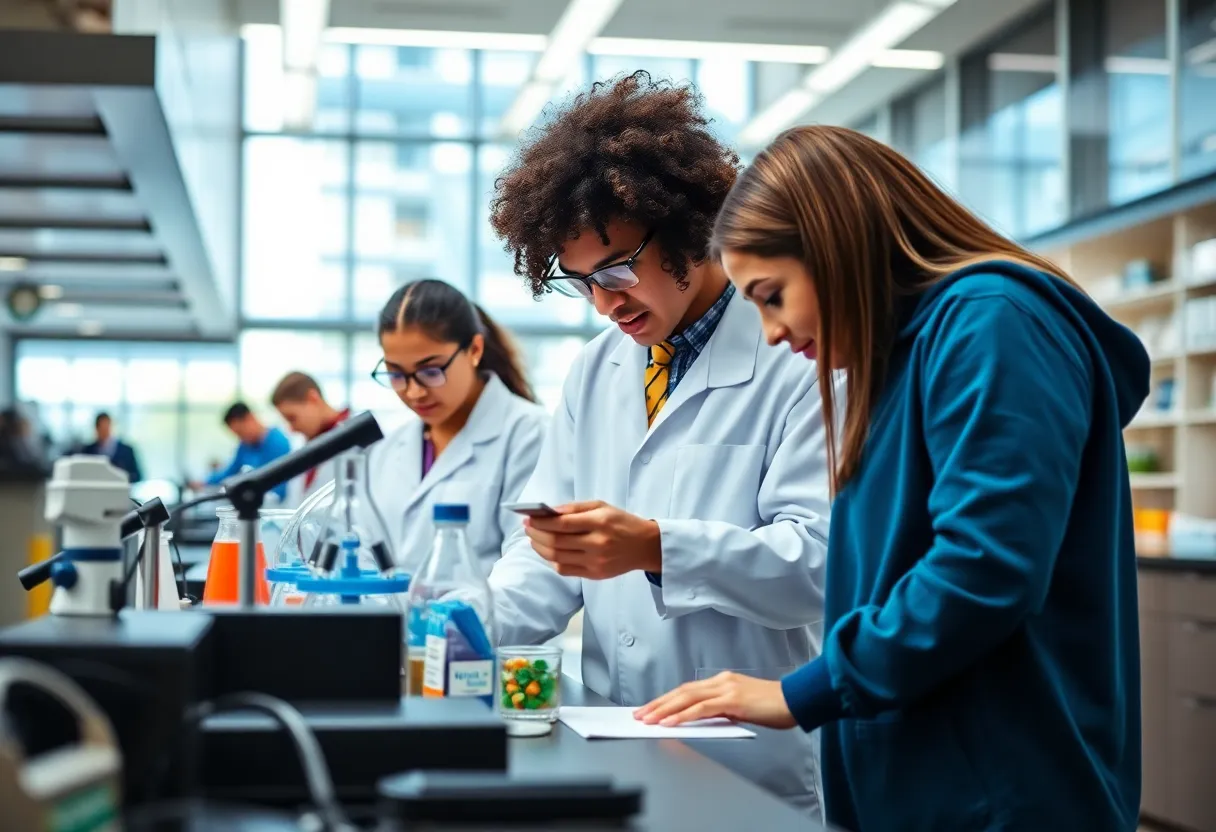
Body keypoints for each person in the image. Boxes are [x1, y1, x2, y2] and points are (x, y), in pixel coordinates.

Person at [636, 125, 1146, 831]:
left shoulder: (992, 325)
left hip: (1003, 798)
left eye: (773, 294)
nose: (773, 332)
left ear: (837, 245)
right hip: (919, 792)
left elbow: (983, 568)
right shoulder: (898, 363)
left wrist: (803, 691)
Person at [486, 71, 833, 815]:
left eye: (617, 270)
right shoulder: (596, 370)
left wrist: (656, 548)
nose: (606, 302)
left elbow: (821, 566)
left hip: (747, 756)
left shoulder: (794, 357)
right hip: (612, 738)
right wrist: (463, 628)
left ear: (687, 228)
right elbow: (548, 553)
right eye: (581, 283)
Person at [366, 278, 547, 573]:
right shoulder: (386, 450)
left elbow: (531, 565)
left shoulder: (528, 434)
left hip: (482, 619)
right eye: (396, 374)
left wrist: (455, 617)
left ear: (474, 349)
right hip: (389, 619)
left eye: (431, 371)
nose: (414, 392)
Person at [271, 371, 349, 505]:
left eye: (292, 418)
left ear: (313, 398)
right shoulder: (304, 445)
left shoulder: (359, 441)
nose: (291, 428)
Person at [201, 402, 292, 502]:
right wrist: (205, 483)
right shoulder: (245, 446)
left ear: (250, 418)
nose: (241, 438)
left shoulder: (278, 442)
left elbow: (280, 489)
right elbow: (230, 472)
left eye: (241, 432)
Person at [82, 412, 142, 483]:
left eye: (106, 427)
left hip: (121, 491)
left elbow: (137, 476)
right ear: (96, 429)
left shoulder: (127, 450)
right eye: (101, 428)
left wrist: (121, 477)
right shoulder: (88, 450)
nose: (104, 431)